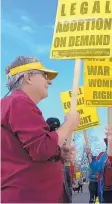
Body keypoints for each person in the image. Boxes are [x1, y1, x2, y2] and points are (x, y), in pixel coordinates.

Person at [1, 56, 80, 203]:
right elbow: (42, 148)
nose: (49, 81)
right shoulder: (18, 102)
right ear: (29, 77)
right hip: (29, 196)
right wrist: (68, 125)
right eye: (44, 75)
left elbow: (27, 152)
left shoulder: (12, 104)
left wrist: (59, 153)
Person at [46, 117, 73, 203]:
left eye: (57, 128)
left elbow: (67, 177)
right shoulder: (43, 144)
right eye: (52, 128)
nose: (55, 130)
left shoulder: (63, 144)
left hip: (62, 186)